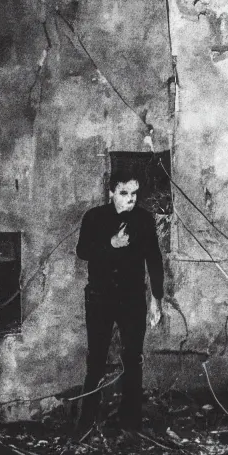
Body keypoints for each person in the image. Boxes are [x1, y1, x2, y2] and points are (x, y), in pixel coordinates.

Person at [76, 170, 164, 433]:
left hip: (132, 299)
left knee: (133, 359)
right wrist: (111, 244)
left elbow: (154, 260)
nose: (130, 200)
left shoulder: (144, 220)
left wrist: (156, 299)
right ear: (111, 192)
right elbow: (82, 251)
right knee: (96, 361)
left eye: (134, 194)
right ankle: (86, 423)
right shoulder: (94, 217)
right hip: (100, 298)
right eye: (124, 194)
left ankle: (131, 424)